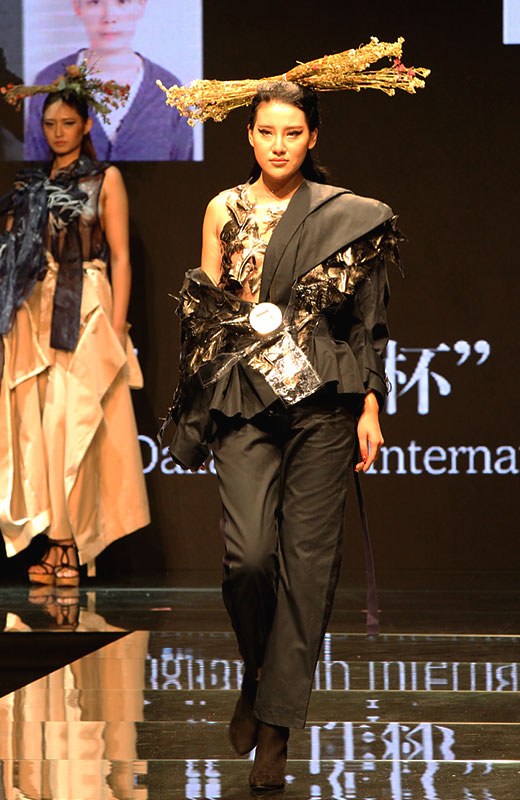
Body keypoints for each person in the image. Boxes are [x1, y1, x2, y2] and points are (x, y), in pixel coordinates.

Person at [159, 42, 427, 792]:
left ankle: (276, 728)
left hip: (325, 404)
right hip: (244, 397)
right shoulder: (224, 208)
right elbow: (204, 316)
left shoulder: (349, 217)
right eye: (267, 132)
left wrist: (370, 404)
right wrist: (196, 404)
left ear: (312, 138)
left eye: (293, 133)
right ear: (250, 135)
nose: (279, 145)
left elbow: (369, 322)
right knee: (248, 559)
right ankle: (258, 673)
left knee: (307, 569)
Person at [0, 70, 150, 588]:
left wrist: (118, 324)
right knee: (41, 427)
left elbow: (121, 255)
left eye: (67, 123)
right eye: (49, 124)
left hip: (84, 305)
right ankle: (56, 541)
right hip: (35, 308)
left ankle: (72, 544)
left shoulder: (105, 178)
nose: (57, 132)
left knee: (77, 423)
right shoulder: (30, 184)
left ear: (86, 124)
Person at [25, 0, 193, 161]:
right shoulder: (48, 83)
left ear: (141, 4)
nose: (109, 17)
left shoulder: (171, 92)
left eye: (122, 1)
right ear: (77, 6)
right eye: (95, 1)